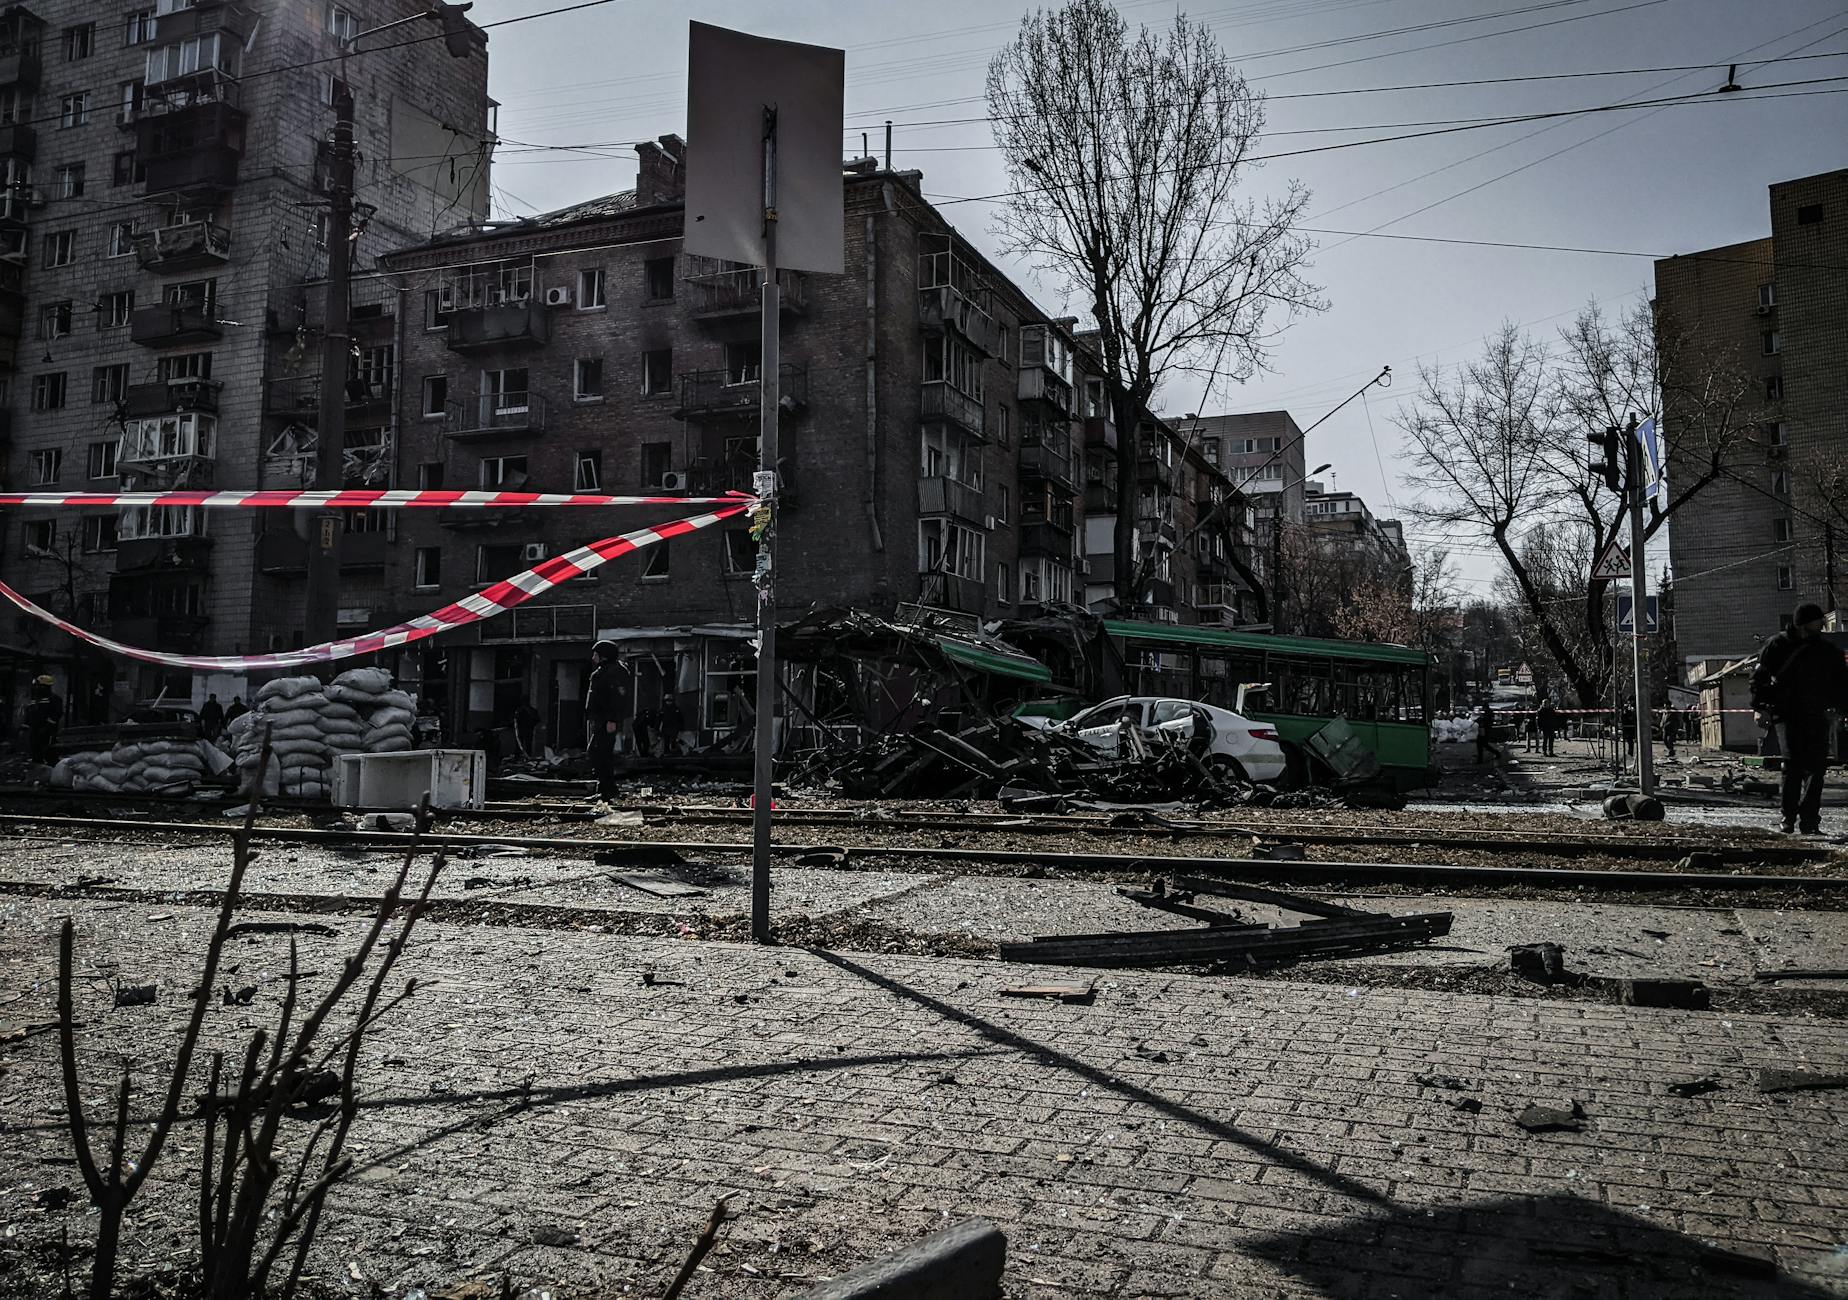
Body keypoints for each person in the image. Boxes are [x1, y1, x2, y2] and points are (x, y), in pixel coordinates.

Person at [1750, 602, 1848, 834]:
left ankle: (1810, 820)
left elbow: (1841, 683)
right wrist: (1759, 707)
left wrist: (1841, 710)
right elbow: (1759, 678)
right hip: (1786, 714)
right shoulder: (1777, 645)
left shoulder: (1826, 650)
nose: (1822, 623)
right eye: (1818, 620)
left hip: (1817, 714)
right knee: (1792, 765)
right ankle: (1788, 817)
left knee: (1817, 768)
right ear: (1805, 623)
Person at [585, 640, 626, 801]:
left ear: (604, 656)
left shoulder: (615, 671)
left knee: (598, 752)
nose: (593, 657)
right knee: (599, 753)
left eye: (596, 654)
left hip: (606, 719)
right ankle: (604, 790)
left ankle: (608, 790)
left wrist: (612, 719)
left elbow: (617, 698)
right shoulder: (602, 671)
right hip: (599, 718)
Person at [26, 676, 63, 765]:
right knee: (35, 753)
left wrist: (47, 727)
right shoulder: (35, 699)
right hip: (34, 730)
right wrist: (26, 725)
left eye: (40, 686)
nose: (37, 688)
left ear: (47, 687)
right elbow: (30, 713)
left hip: (47, 732)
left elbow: (56, 714)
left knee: (49, 752)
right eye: (37, 686)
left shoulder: (54, 699)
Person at [1474, 699, 1500, 765]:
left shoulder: (1487, 713)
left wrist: (1480, 720)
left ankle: (1480, 760)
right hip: (1485, 730)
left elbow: (1486, 721)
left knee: (1481, 745)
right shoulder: (1488, 712)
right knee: (1484, 745)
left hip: (1485, 730)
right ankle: (1496, 753)